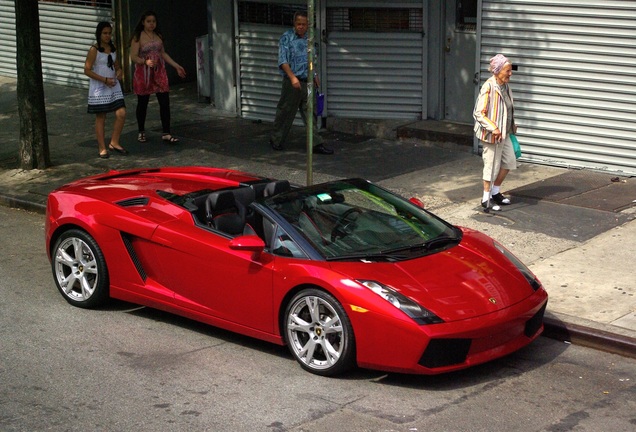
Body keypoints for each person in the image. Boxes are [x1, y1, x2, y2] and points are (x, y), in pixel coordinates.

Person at [270, 11, 333, 155]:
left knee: (310, 113)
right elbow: (283, 61)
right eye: (299, 24)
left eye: (304, 24)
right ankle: (276, 139)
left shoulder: (309, 39)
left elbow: (311, 60)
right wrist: (292, 77)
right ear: (294, 24)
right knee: (285, 112)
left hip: (307, 82)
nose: (301, 27)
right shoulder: (287, 38)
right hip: (292, 82)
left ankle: (316, 143)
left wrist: (315, 75)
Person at [130, 10, 186, 144]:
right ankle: (141, 131)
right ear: (143, 22)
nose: (151, 24)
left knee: (164, 102)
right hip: (144, 73)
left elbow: (163, 53)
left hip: (159, 71)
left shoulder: (158, 35)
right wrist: (145, 62)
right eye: (148, 21)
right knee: (143, 103)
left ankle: (166, 132)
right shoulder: (138, 37)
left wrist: (176, 66)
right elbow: (133, 56)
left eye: (153, 21)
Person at [473, 54, 517, 211]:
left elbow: (507, 108)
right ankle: (486, 198)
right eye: (507, 70)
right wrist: (494, 128)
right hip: (492, 135)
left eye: (510, 70)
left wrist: (512, 123)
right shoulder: (489, 87)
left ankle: (495, 192)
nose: (510, 73)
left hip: (505, 133)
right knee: (491, 165)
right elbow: (479, 113)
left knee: (509, 162)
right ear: (497, 71)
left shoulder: (505, 86)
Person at [84, 21, 127, 159]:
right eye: (105, 33)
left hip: (113, 85)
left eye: (109, 33)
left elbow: (116, 65)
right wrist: (104, 79)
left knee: (121, 113)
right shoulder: (94, 50)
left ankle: (114, 141)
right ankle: (102, 147)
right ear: (99, 34)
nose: (107, 36)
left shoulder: (112, 48)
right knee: (101, 116)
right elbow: (87, 70)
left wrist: (119, 71)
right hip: (100, 86)